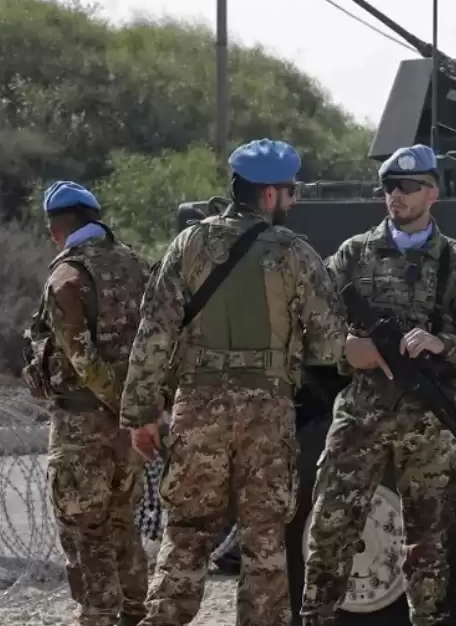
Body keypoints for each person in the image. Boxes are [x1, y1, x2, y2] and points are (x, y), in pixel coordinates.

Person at [120, 138, 347, 626]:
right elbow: (331, 345)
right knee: (264, 540)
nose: (293, 201)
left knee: (186, 533)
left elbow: (154, 332)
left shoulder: (187, 245)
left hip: (197, 407)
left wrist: (141, 415)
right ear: (270, 195)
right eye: (291, 192)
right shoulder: (295, 253)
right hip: (267, 412)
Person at [299, 144, 456, 626]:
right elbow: (307, 320)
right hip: (361, 413)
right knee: (330, 528)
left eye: (409, 187)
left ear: (433, 193)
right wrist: (346, 347)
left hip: (429, 421)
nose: (397, 195)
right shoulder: (353, 254)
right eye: (391, 186)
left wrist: (443, 345)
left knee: (429, 542)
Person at [21, 180, 153, 626]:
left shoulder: (67, 276)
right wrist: (140, 407)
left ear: (55, 229)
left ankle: (97, 615)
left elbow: (80, 358)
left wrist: (119, 403)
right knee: (123, 523)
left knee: (85, 531)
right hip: (131, 429)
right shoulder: (138, 265)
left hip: (82, 425)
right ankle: (135, 612)